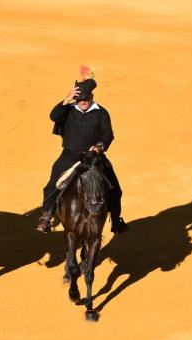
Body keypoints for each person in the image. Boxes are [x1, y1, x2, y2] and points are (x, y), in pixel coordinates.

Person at [36, 74, 128, 234]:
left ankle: (115, 220)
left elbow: (108, 133)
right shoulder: (69, 110)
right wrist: (66, 99)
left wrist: (99, 147)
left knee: (115, 188)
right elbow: (54, 116)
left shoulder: (101, 112)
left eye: (86, 99)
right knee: (52, 184)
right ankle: (46, 217)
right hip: (70, 155)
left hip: (94, 157)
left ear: (92, 96)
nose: (83, 102)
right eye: (79, 99)